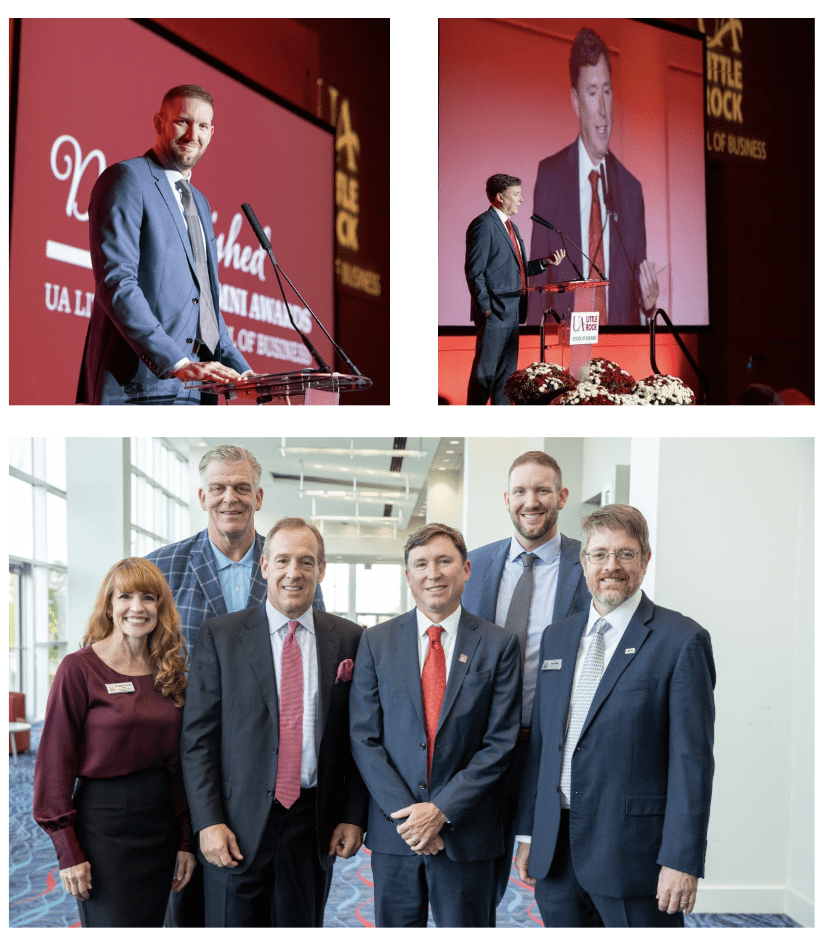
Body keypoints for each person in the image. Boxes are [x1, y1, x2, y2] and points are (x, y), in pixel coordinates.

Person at [514, 504, 715, 927]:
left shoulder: (681, 641)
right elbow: (545, 746)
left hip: (634, 857)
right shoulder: (558, 637)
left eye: (625, 553)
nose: (612, 566)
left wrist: (682, 859)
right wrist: (530, 832)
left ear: (645, 560)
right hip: (557, 851)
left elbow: (691, 762)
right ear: (582, 562)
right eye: (600, 554)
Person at [181, 518, 366, 927]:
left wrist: (353, 814)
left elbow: (359, 738)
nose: (293, 572)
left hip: (312, 821)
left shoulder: (351, 639)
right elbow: (197, 741)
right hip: (235, 823)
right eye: (282, 560)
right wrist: (208, 822)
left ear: (321, 569)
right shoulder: (221, 636)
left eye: (305, 561)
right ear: (264, 567)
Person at [350, 523, 521, 927]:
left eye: (444, 561)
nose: (434, 573)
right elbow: (363, 737)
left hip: (468, 832)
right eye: (421, 564)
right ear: (408, 576)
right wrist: (411, 819)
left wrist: (441, 811)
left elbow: (500, 743)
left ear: (466, 570)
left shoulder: (499, 645)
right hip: (398, 834)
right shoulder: (376, 641)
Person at [33, 558, 195, 927]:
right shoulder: (79, 669)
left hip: (161, 824)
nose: (137, 607)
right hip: (102, 826)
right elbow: (54, 762)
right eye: (126, 596)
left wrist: (186, 839)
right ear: (109, 605)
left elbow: (181, 765)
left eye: (149, 598)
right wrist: (67, 850)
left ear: (161, 608)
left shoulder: (171, 673)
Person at [461, 450, 591, 906]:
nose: (530, 501)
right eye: (520, 491)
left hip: (552, 747)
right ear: (506, 498)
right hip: (482, 747)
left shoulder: (589, 566)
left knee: (556, 888)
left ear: (562, 496)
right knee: (476, 883)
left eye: (541, 490)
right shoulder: (472, 566)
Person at [77, 84, 254, 404]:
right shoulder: (126, 178)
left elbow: (206, 305)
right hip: (139, 389)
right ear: (159, 123)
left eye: (202, 126)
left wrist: (242, 372)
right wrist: (178, 363)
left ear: (211, 133)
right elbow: (116, 283)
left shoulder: (200, 202)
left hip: (198, 392)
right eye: (182, 121)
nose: (192, 135)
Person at [530, 28, 659, 326]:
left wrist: (648, 305)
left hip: (619, 360)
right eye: (592, 93)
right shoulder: (549, 177)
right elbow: (537, 288)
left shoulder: (630, 191)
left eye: (607, 91)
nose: (602, 110)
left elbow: (637, 304)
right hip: (562, 360)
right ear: (576, 101)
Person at [147, 444, 324, 656]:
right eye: (218, 488)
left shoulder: (294, 570)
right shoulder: (161, 568)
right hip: (187, 690)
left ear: (258, 498)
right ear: (203, 498)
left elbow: (317, 642)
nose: (230, 498)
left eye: (241, 488)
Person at [465, 174, 566, 405]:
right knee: (485, 375)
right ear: (500, 197)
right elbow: (474, 271)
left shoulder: (513, 227)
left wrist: (544, 263)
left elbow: (516, 269)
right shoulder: (483, 225)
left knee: (506, 378)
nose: (521, 199)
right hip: (494, 313)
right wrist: (486, 309)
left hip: (513, 312)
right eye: (516, 194)